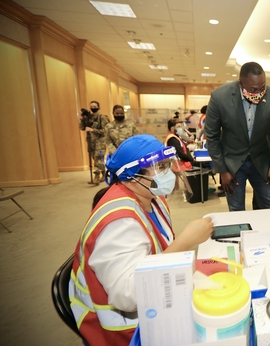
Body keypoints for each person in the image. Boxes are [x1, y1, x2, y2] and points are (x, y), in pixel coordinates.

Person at [69, 134, 214, 345]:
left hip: (155, 305)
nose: (169, 172)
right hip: (127, 331)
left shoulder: (151, 198)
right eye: (161, 167)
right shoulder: (118, 223)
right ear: (132, 175)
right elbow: (126, 296)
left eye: (167, 165)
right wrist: (184, 242)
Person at [204, 61, 270, 211]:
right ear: (241, 84)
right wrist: (222, 170)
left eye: (262, 88)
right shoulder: (220, 96)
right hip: (233, 163)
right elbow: (212, 136)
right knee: (236, 209)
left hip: (261, 161)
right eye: (253, 89)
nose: (259, 93)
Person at [79, 100, 110, 185]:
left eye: (94, 106)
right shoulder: (89, 117)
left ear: (98, 107)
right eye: (91, 106)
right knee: (95, 158)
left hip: (100, 141)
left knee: (98, 159)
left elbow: (106, 130)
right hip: (91, 141)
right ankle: (104, 175)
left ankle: (96, 177)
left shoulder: (102, 117)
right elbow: (82, 128)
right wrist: (83, 119)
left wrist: (93, 130)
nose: (93, 108)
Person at [165, 119, 194, 192]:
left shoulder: (175, 137)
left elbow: (185, 147)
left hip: (180, 162)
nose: (181, 128)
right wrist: (192, 159)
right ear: (172, 128)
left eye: (181, 126)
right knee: (203, 165)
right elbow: (181, 154)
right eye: (178, 126)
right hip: (178, 164)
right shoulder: (172, 139)